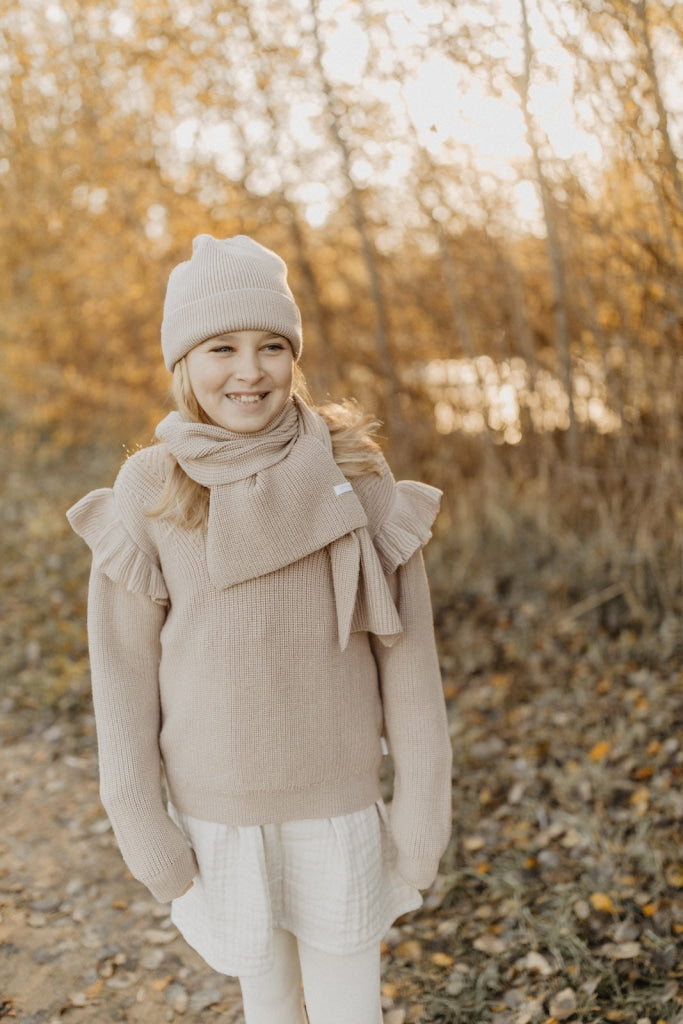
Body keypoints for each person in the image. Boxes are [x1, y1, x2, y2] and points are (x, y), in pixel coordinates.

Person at [67, 234, 452, 1024]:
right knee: (270, 1005)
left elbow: (410, 665)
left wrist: (421, 816)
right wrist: (141, 821)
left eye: (271, 345)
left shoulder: (353, 474)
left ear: (294, 356)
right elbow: (122, 677)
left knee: (351, 1009)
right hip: (219, 820)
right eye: (222, 347)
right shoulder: (152, 485)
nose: (249, 370)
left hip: (338, 809)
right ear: (184, 363)